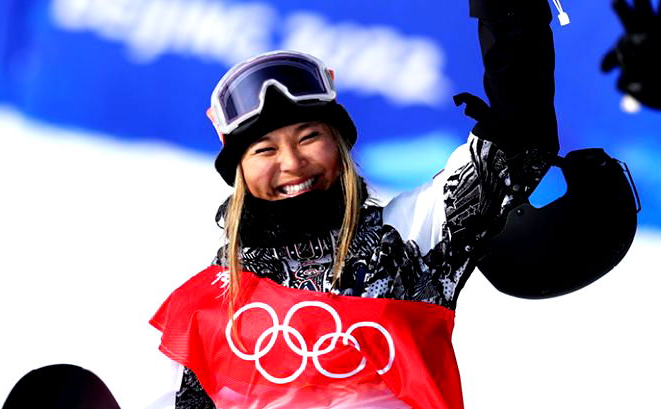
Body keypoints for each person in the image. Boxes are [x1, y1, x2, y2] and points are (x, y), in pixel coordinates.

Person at [151, 1, 562, 408]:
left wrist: (508, 13)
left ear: (340, 144)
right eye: (264, 149)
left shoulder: (409, 237)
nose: (292, 163)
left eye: (309, 136)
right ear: (239, 170)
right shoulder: (212, 299)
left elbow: (518, 142)